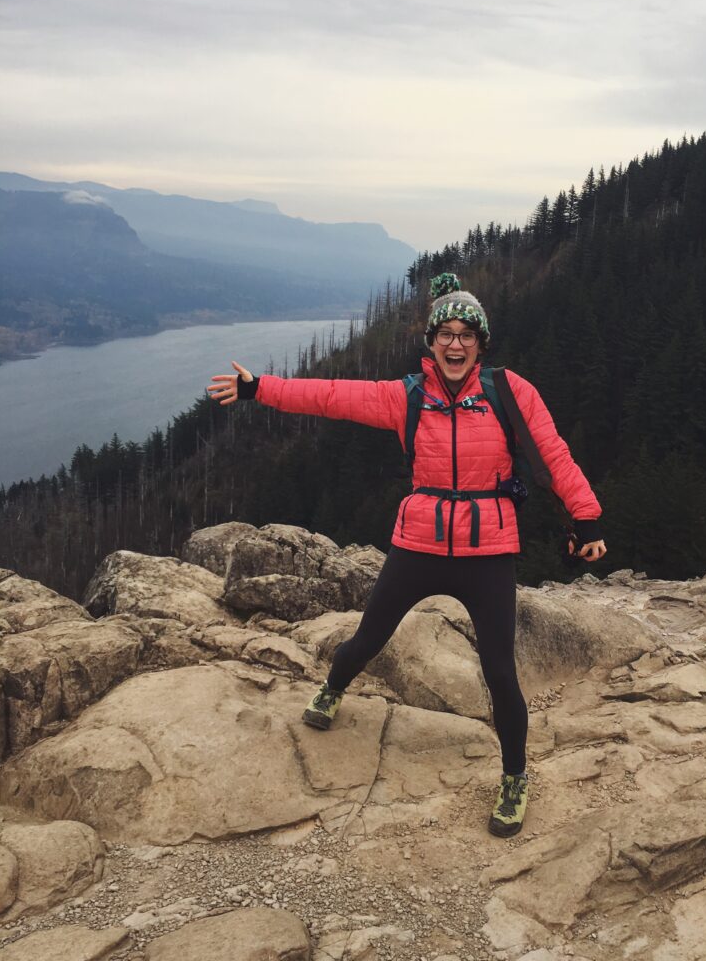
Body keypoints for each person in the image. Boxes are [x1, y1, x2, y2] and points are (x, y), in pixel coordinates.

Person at [208, 272, 606, 837]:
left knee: (499, 671)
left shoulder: (509, 392)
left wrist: (585, 515)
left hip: (489, 546)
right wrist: (259, 389)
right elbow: (330, 397)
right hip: (418, 541)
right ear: (431, 342)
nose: (455, 344)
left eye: (467, 334)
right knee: (368, 638)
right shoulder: (407, 398)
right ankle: (333, 688)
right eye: (444, 333)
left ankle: (515, 777)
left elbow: (554, 452)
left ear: (481, 343)